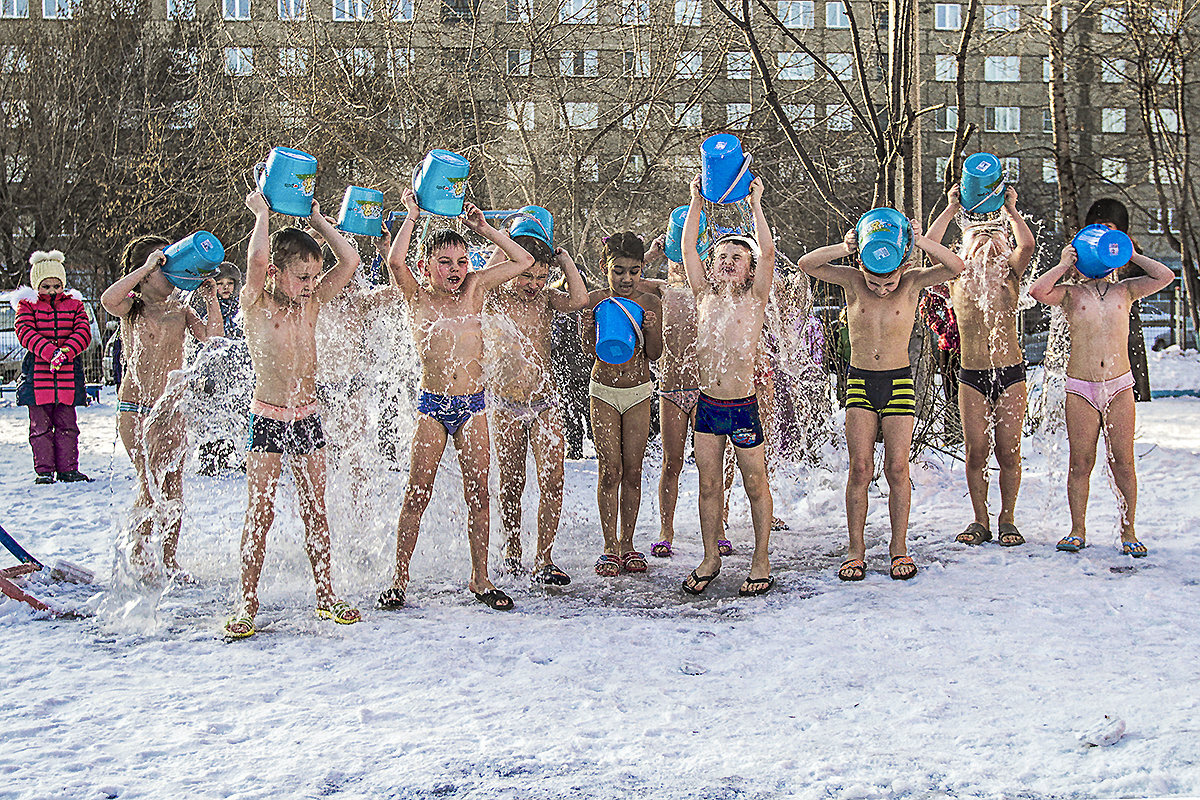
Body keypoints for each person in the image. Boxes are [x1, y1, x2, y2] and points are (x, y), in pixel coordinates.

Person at [377, 188, 534, 612]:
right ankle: (399, 579)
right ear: (426, 266)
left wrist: (485, 229)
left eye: (462, 261)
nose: (455, 270)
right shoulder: (417, 297)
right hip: (432, 406)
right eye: (445, 262)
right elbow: (394, 262)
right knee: (417, 492)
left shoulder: (476, 288)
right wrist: (411, 215)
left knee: (479, 493)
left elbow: (523, 261)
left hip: (472, 407)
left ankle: (480, 578)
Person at [222, 191, 363, 639]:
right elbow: (256, 259)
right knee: (260, 511)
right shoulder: (255, 303)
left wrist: (320, 222)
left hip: (307, 416)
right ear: (275, 273)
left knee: (315, 508)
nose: (310, 284)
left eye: (314, 277)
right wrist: (262, 214)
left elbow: (350, 260)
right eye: (302, 276)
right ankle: (247, 602)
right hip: (267, 415)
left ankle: (326, 595)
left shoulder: (312, 303)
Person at [797, 217, 965, 581]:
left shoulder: (912, 281)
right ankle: (855, 550)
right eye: (875, 282)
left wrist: (920, 242)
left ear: (902, 266)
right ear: (862, 265)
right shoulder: (853, 280)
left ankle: (898, 548)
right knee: (860, 468)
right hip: (860, 382)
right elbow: (807, 264)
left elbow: (955, 267)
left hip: (898, 382)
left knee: (897, 469)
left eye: (889, 282)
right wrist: (844, 248)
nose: (882, 289)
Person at [1028, 242, 1173, 557]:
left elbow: (1165, 276)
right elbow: (1038, 291)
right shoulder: (1071, 294)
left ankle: (1128, 530)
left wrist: (1131, 254)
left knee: (1124, 462)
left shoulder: (1126, 290)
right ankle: (1077, 529)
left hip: (1119, 387)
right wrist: (1064, 264)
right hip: (1082, 388)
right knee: (1080, 463)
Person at [101, 236, 223, 579]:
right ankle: (140, 555)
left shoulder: (180, 310)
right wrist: (147, 267)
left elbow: (212, 338)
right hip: (135, 408)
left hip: (171, 409)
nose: (171, 273)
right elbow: (108, 299)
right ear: (144, 273)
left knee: (173, 485)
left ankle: (170, 559)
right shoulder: (132, 308)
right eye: (163, 268)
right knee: (148, 482)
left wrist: (211, 299)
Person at [678, 175, 776, 597]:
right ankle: (710, 557)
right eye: (722, 256)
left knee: (755, 484)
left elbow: (768, 251)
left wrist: (755, 204)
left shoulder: (754, 299)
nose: (729, 261)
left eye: (738, 256)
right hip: (708, 407)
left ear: (750, 268)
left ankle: (761, 558)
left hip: (743, 407)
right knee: (708, 485)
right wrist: (696, 202)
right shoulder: (704, 296)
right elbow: (687, 249)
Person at [927, 185, 1035, 546]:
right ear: (963, 248)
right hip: (972, 375)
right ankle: (980, 519)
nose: (987, 239)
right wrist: (951, 208)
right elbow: (930, 243)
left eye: (994, 235)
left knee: (1008, 451)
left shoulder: (1010, 275)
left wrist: (1011, 211)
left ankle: (1008, 518)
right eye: (978, 235)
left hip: (1010, 374)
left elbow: (1027, 245)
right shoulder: (956, 276)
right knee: (976, 452)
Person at [484, 234, 588, 585]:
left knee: (554, 480)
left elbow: (580, 300)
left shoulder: (546, 300)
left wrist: (564, 259)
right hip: (505, 405)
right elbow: (483, 278)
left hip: (544, 404)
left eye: (542, 277)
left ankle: (544, 558)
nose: (534, 285)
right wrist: (504, 244)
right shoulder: (494, 298)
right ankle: (512, 550)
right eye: (526, 276)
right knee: (511, 483)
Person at [582, 233, 663, 577]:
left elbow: (655, 353)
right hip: (603, 391)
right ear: (605, 267)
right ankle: (609, 545)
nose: (626, 279)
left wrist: (652, 328)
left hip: (638, 392)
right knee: (609, 470)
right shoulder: (595, 300)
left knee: (632, 470)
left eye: (633, 271)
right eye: (618, 271)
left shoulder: (650, 302)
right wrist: (587, 329)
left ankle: (628, 544)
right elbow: (590, 350)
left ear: (642, 268)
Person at [632, 240, 698, 560]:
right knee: (672, 462)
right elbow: (627, 279)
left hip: (704, 389)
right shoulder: (661, 290)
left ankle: (719, 526)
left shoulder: (705, 290)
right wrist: (653, 254)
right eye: (675, 259)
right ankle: (666, 529)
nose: (680, 266)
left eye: (685, 259)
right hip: (671, 390)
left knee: (712, 465)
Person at [13, 250, 92, 484]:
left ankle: (68, 469)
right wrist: (50, 352)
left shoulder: (75, 306)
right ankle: (44, 470)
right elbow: (25, 332)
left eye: (56, 286)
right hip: (38, 377)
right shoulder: (28, 306)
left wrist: (66, 352)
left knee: (68, 425)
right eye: (46, 286)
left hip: (67, 376)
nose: (52, 291)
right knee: (40, 427)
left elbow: (83, 332)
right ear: (36, 286)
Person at [1084, 199, 1151, 402]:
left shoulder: (1130, 257)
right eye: (1098, 225)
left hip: (1125, 330)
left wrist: (1129, 255)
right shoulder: (1082, 253)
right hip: (1089, 329)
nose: (1103, 230)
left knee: (1128, 393)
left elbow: (1155, 277)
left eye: (1108, 225)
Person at [195, 262, 248, 476]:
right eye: (220, 283)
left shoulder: (240, 311)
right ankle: (212, 457)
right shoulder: (206, 310)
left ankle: (243, 455)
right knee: (213, 416)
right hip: (213, 373)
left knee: (239, 414)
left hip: (236, 372)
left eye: (230, 283)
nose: (225, 288)